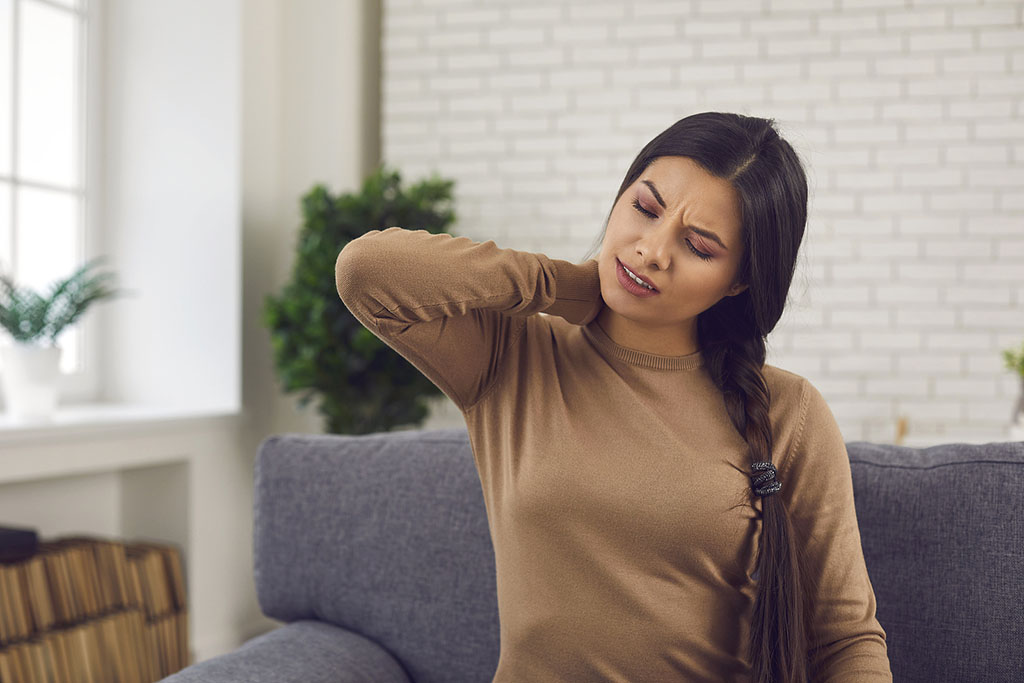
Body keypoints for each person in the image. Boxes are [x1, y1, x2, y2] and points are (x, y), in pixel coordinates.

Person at [335, 111, 892, 683]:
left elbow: (845, 638)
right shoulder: (511, 356)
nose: (652, 250)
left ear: (739, 281)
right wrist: (569, 285)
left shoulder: (788, 411)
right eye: (645, 209)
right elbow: (367, 271)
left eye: (698, 245)